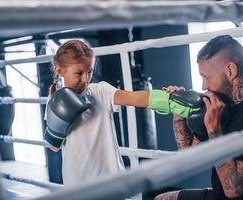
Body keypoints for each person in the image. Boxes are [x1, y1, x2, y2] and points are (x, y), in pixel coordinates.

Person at [45, 39, 205, 186]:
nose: (86, 80)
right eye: (79, 73)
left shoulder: (100, 91)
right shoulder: (53, 102)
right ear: (60, 70)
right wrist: (59, 117)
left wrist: (169, 99)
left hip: (112, 182)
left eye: (90, 72)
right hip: (78, 186)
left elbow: (134, 98)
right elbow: (53, 146)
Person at [155, 35, 243, 200]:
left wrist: (214, 130)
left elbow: (233, 189)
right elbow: (188, 156)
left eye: (206, 77)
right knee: (161, 199)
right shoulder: (220, 107)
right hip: (217, 196)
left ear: (230, 70)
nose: (204, 86)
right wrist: (179, 111)